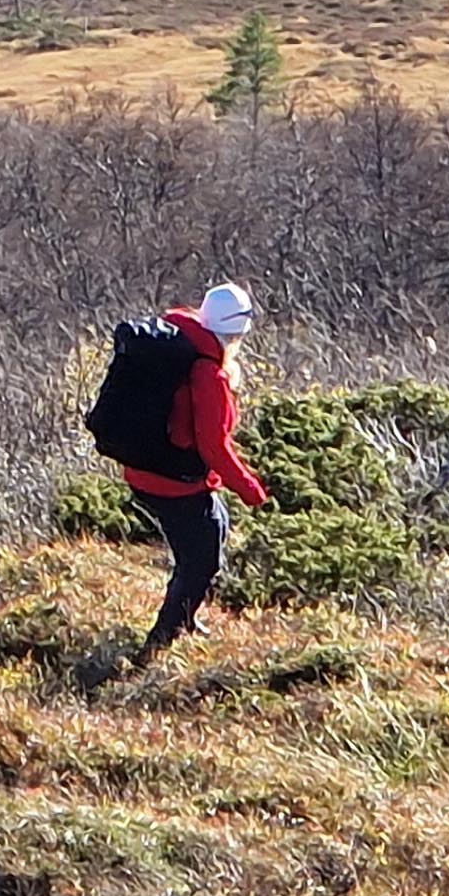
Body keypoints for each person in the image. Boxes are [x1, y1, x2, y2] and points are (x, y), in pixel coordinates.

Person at [116, 281, 273, 662]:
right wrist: (254, 491)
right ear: (236, 332)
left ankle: (185, 618)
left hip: (150, 471)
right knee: (201, 560)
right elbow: (213, 447)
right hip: (173, 482)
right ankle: (159, 642)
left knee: (215, 527)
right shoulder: (209, 376)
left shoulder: (181, 339)